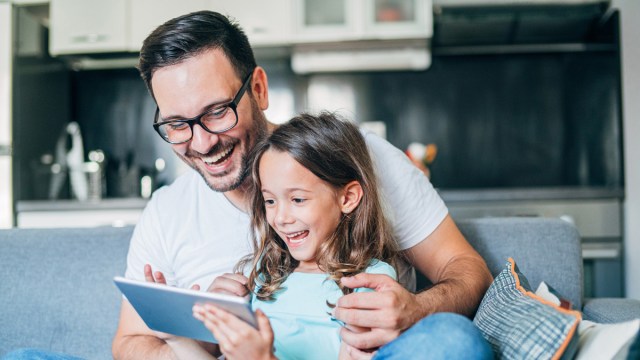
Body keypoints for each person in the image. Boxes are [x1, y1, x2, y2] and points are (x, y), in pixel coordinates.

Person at [111, 10, 494, 360]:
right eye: (178, 125)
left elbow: (467, 270)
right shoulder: (168, 210)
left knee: (453, 339)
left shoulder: (359, 158)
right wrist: (200, 333)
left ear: (259, 89)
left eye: (216, 112)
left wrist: (415, 310)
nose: (202, 143)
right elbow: (130, 342)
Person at [193, 112, 401, 359]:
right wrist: (182, 325)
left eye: (298, 199)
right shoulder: (267, 273)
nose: (280, 218)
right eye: (270, 200)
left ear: (347, 198)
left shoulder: (370, 282)